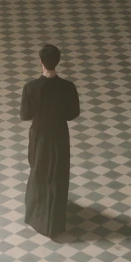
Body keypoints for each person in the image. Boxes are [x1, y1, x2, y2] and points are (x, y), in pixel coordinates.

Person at [20, 44, 80, 239]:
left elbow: (25, 115)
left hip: (39, 135)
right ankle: (55, 218)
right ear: (58, 61)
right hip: (59, 134)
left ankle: (37, 215)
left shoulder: (31, 88)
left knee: (39, 170)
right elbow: (73, 114)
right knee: (58, 172)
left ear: (41, 62)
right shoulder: (68, 87)